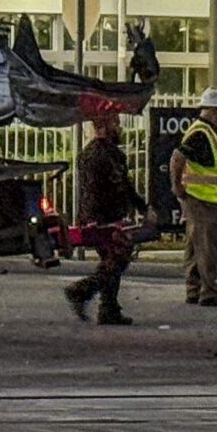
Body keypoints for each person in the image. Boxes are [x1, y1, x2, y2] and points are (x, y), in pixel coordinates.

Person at [64, 108, 147, 324]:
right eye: (115, 123)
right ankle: (83, 290)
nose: (119, 128)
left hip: (90, 215)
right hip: (107, 218)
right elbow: (123, 186)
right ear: (103, 127)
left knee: (112, 259)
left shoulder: (87, 152)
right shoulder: (110, 154)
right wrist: (143, 208)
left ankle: (108, 308)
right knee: (117, 258)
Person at [169, 86, 217, 307]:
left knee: (195, 246)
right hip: (204, 201)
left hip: (204, 200)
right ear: (214, 111)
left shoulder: (210, 134)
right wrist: (178, 188)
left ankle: (194, 288)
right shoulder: (201, 133)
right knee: (208, 247)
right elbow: (177, 158)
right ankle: (208, 291)